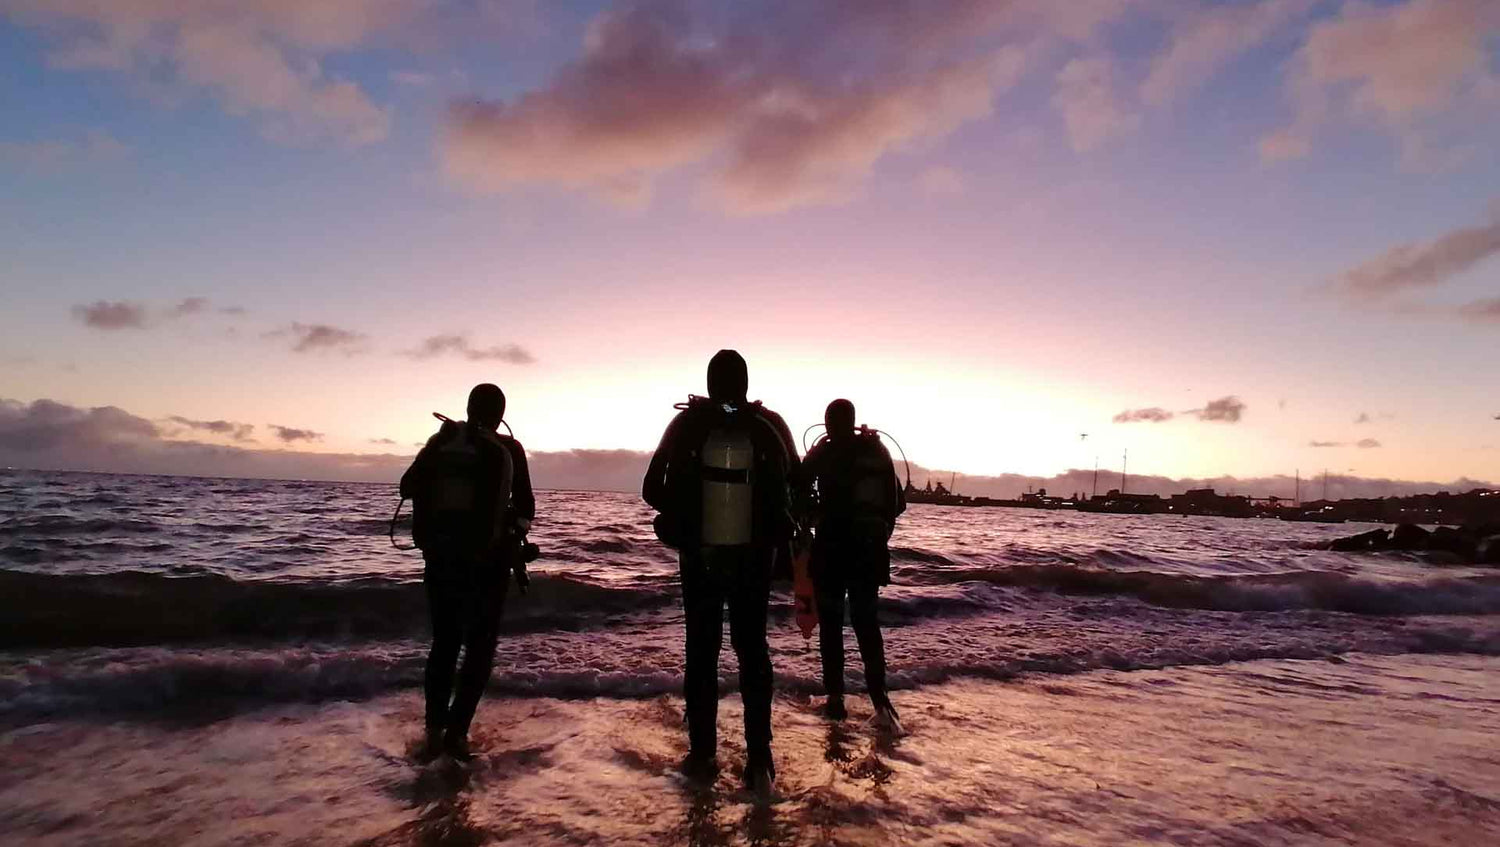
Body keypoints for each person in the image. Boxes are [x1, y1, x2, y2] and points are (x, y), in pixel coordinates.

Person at [642, 350, 800, 793]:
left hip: (700, 559)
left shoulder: (685, 424)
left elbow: (651, 487)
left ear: (709, 383)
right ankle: (759, 759)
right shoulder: (771, 425)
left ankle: (702, 754)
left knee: (701, 650)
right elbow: (801, 485)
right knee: (753, 651)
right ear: (746, 383)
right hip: (754, 561)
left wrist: (689, 521)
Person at [399, 383, 535, 760]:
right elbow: (526, 505)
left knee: (444, 643)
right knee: (479, 648)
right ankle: (458, 734)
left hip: (441, 559)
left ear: (469, 408)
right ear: (500, 414)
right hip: (489, 563)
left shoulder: (442, 444)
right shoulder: (509, 449)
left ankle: (433, 731)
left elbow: (406, 486)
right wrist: (514, 534)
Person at [801, 398, 905, 728]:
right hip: (869, 552)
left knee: (831, 626)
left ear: (829, 423)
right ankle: (881, 702)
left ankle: (835, 700)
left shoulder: (823, 452)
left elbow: (797, 489)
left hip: (831, 550)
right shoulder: (877, 451)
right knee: (866, 625)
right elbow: (897, 503)